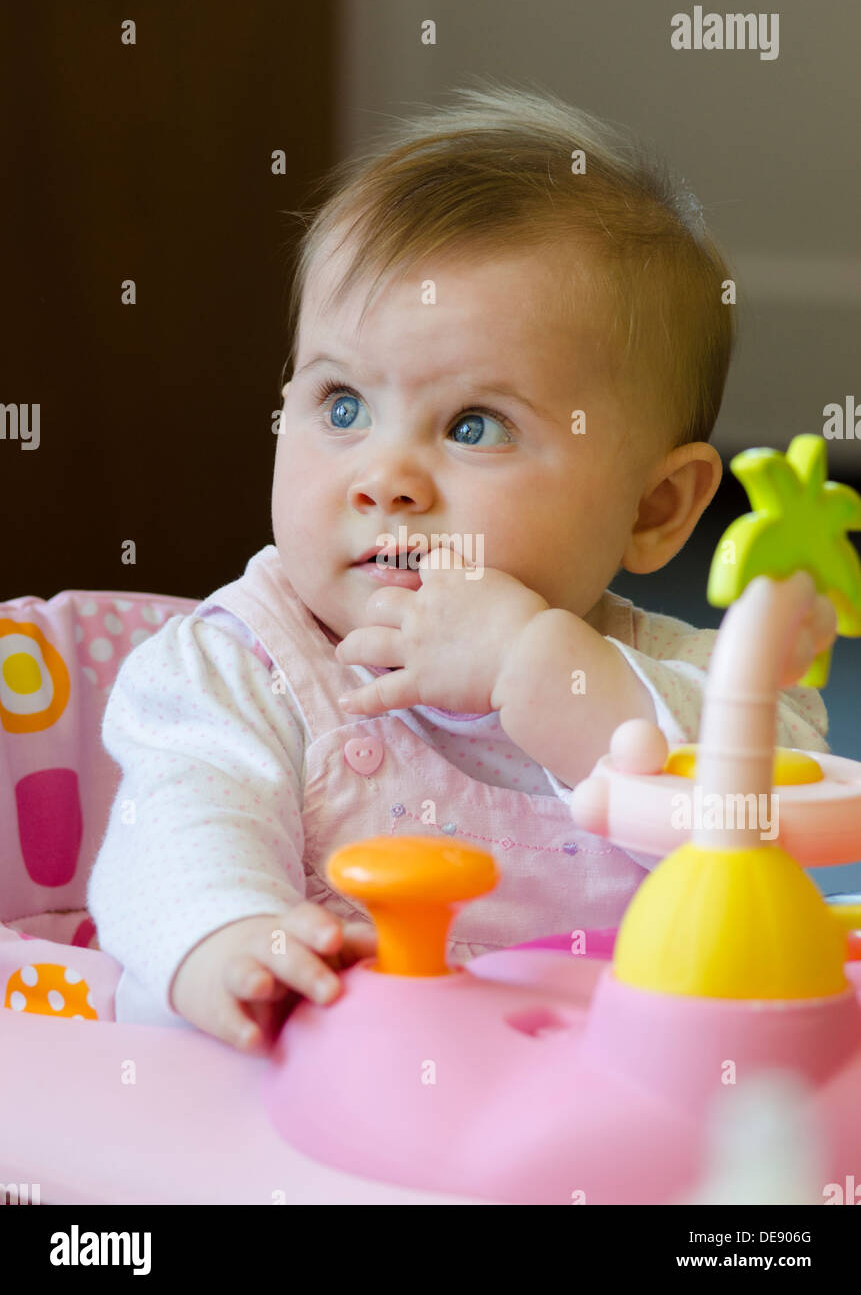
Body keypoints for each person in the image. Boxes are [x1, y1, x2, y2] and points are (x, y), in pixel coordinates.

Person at [87, 80, 831, 1051]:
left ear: (653, 510)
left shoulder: (693, 685)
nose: (383, 478)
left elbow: (774, 811)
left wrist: (546, 670)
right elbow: (171, 830)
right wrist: (236, 938)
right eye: (343, 405)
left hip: (587, 1124)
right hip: (296, 1105)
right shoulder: (234, 670)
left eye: (474, 426)